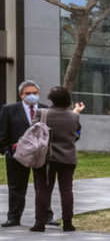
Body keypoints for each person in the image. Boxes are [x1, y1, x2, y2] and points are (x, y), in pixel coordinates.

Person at [31, 85, 83, 232]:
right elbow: (77, 134)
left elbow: (32, 132)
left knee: (43, 190)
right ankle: (68, 222)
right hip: (68, 158)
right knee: (66, 190)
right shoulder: (74, 116)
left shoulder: (42, 113)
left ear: (51, 99)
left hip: (46, 158)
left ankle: (39, 223)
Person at [1, 80, 43, 226]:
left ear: (39, 94)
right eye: (28, 93)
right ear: (21, 95)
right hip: (17, 156)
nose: (32, 96)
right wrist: (6, 151)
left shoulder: (45, 110)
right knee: (16, 187)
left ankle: (47, 216)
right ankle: (13, 217)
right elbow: (2, 133)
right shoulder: (9, 110)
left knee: (43, 186)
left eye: (34, 93)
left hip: (40, 155)